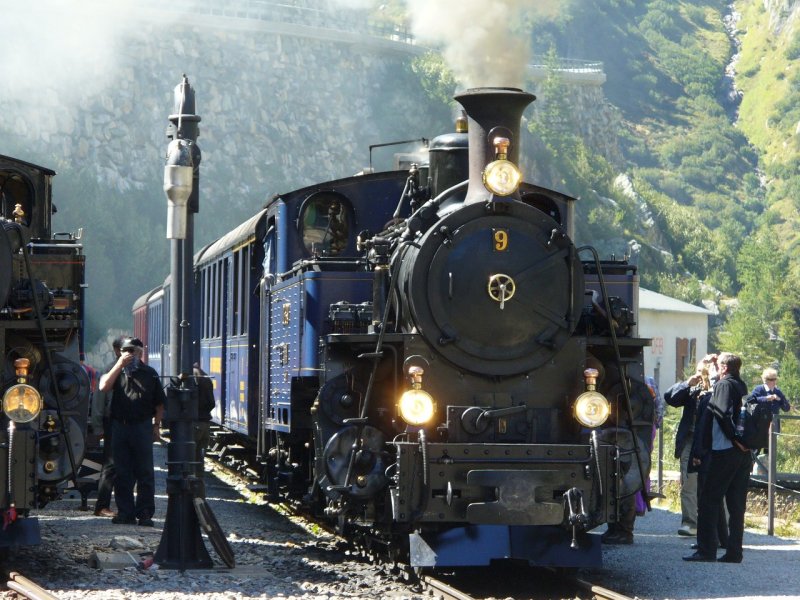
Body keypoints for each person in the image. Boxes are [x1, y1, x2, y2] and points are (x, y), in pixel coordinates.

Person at [684, 352, 751, 563]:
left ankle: (706, 550)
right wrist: (741, 442)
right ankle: (734, 552)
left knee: (708, 501)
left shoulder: (724, 385)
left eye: (718, 365)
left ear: (723, 368)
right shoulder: (742, 386)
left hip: (725, 451)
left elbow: (720, 412)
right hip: (743, 454)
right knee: (736, 504)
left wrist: (733, 438)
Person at [98, 337, 166, 527]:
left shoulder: (150, 373)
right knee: (122, 472)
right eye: (125, 351)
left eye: (133, 351)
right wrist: (119, 365)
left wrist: (156, 426)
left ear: (140, 353)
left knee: (144, 472)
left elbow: (160, 403)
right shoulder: (116, 371)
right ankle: (125, 512)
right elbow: (103, 387)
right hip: (120, 426)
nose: (129, 355)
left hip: (142, 426)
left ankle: (144, 513)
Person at [663, 354, 717, 537]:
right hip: (690, 439)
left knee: (714, 483)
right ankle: (690, 523)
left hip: (712, 441)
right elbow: (670, 398)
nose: (704, 374)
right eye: (702, 370)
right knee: (689, 483)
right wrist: (688, 383)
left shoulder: (721, 387)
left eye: (706, 370)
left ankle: (717, 525)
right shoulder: (694, 389)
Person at [90, 336, 124, 517]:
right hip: (111, 421)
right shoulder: (107, 370)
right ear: (118, 351)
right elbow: (98, 401)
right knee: (110, 466)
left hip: (126, 423)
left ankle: (120, 506)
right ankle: (102, 506)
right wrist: (98, 427)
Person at [192, 362, 215, 494]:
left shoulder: (189, 377)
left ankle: (191, 492)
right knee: (200, 460)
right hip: (205, 424)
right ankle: (200, 492)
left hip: (194, 424)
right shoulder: (206, 377)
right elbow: (211, 403)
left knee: (189, 458)